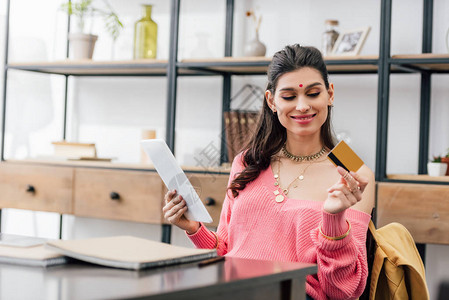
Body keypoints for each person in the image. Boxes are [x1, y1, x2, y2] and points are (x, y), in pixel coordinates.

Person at [162, 44, 375, 300]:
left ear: (330, 94)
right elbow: (228, 250)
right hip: (233, 291)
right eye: (289, 97)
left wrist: (333, 218)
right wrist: (194, 228)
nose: (303, 105)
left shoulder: (353, 172)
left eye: (313, 93)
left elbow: (344, 291)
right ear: (271, 101)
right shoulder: (248, 161)